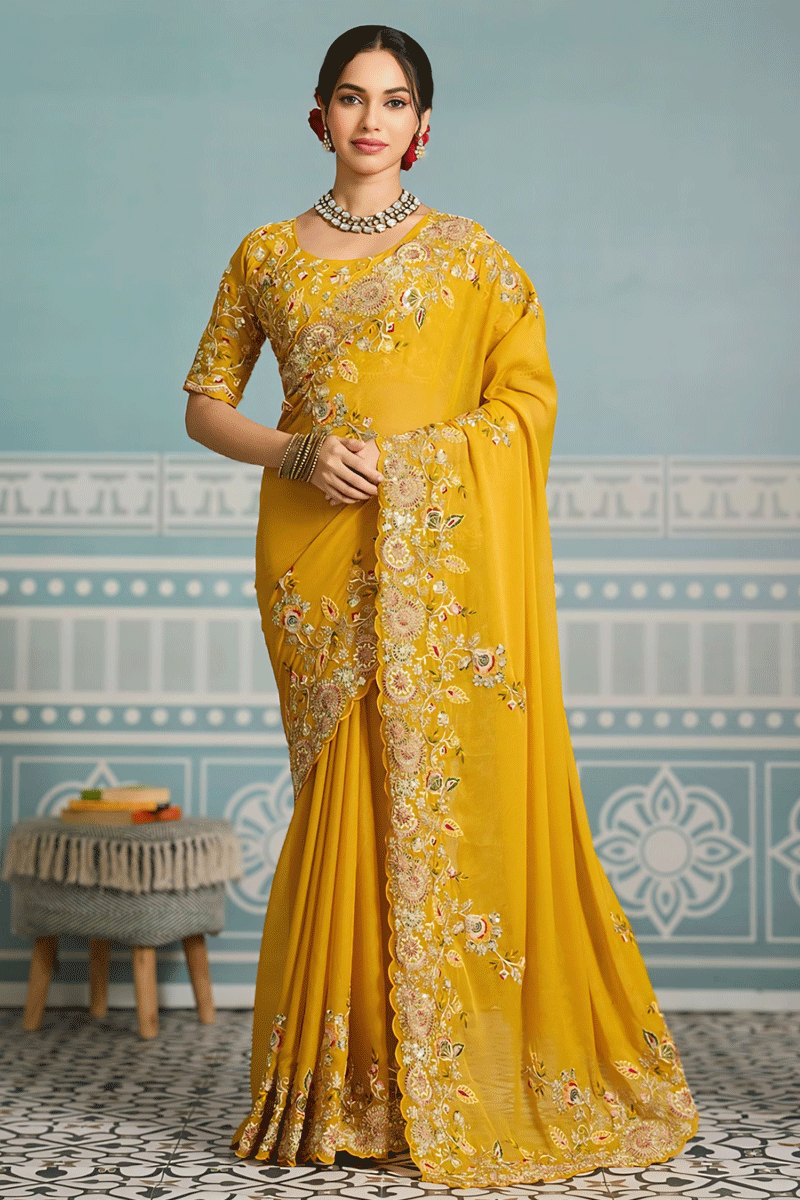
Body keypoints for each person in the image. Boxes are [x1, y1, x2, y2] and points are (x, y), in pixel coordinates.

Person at [182, 23, 700, 1190]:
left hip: (439, 567)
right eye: (349, 97)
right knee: (342, 799)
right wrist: (297, 450)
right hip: (314, 556)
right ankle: (342, 1088)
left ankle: (441, 1078)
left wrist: (412, 468)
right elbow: (205, 405)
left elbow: (522, 411)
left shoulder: (474, 260)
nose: (370, 118)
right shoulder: (264, 255)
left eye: (393, 100)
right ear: (316, 115)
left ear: (422, 127)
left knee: (435, 797)